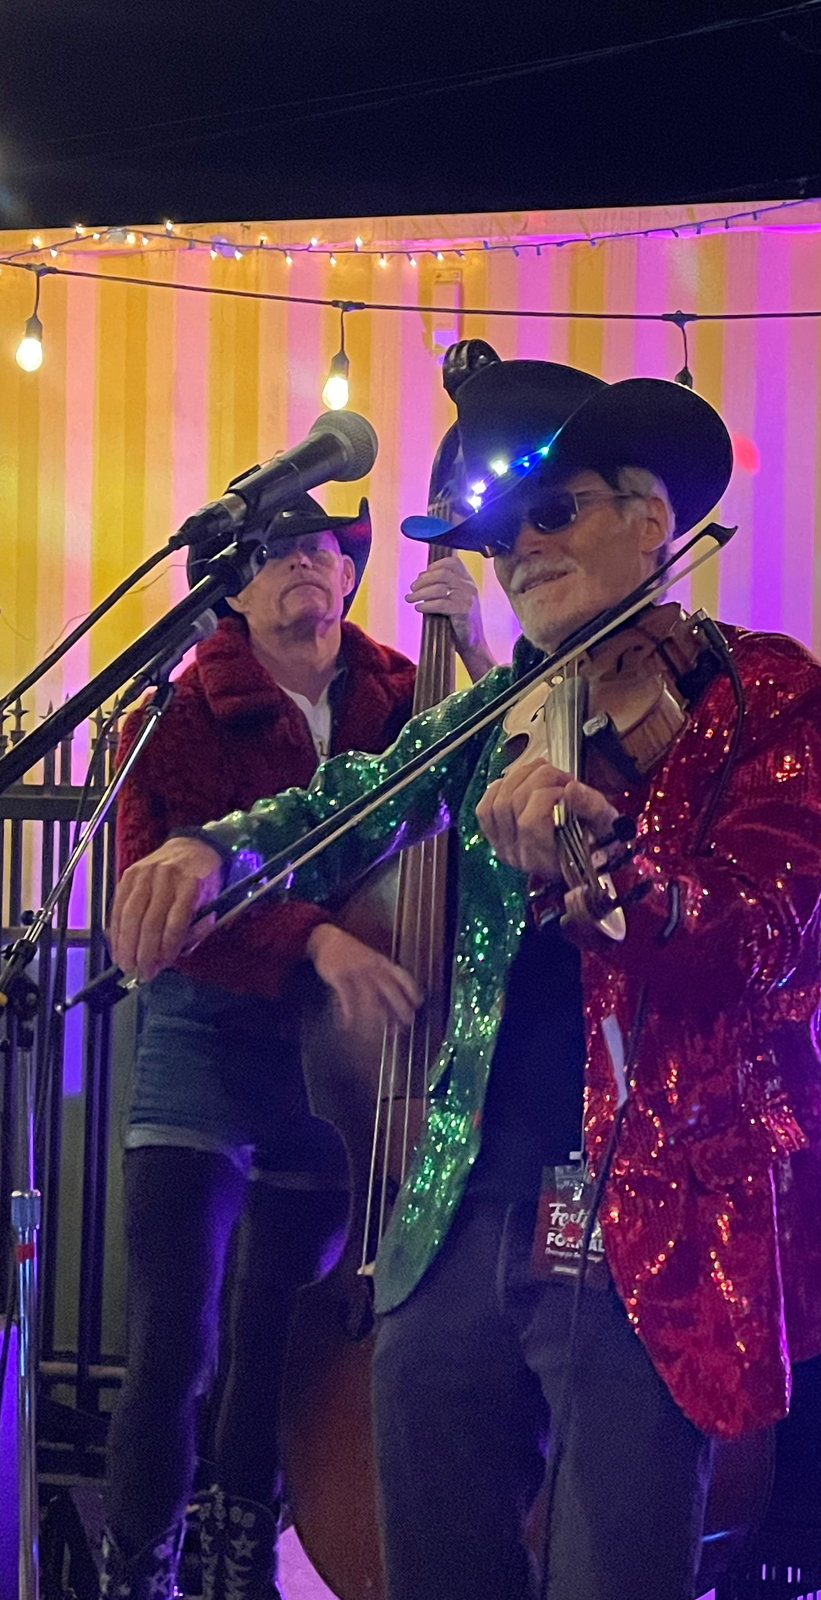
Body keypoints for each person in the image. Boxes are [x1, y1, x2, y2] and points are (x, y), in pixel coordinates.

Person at [109, 358, 821, 1600]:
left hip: (652, 1206)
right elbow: (351, 799)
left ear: (653, 518)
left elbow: (762, 930)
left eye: (550, 513)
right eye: (500, 538)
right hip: (466, 1196)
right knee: (433, 1544)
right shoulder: (495, 713)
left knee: (614, 1572)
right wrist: (213, 848)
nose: (519, 555)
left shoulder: (772, 696)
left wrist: (613, 867)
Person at [102, 489, 495, 1600]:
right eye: (277, 552)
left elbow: (497, 765)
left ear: (352, 573)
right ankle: (139, 1569)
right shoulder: (171, 716)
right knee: (173, 1339)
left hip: (342, 1055)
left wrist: (476, 644)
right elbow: (163, 912)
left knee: (280, 1334)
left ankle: (242, 1563)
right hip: (208, 1034)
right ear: (231, 588)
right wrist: (319, 940)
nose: (307, 564)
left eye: (325, 548)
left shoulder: (408, 692)